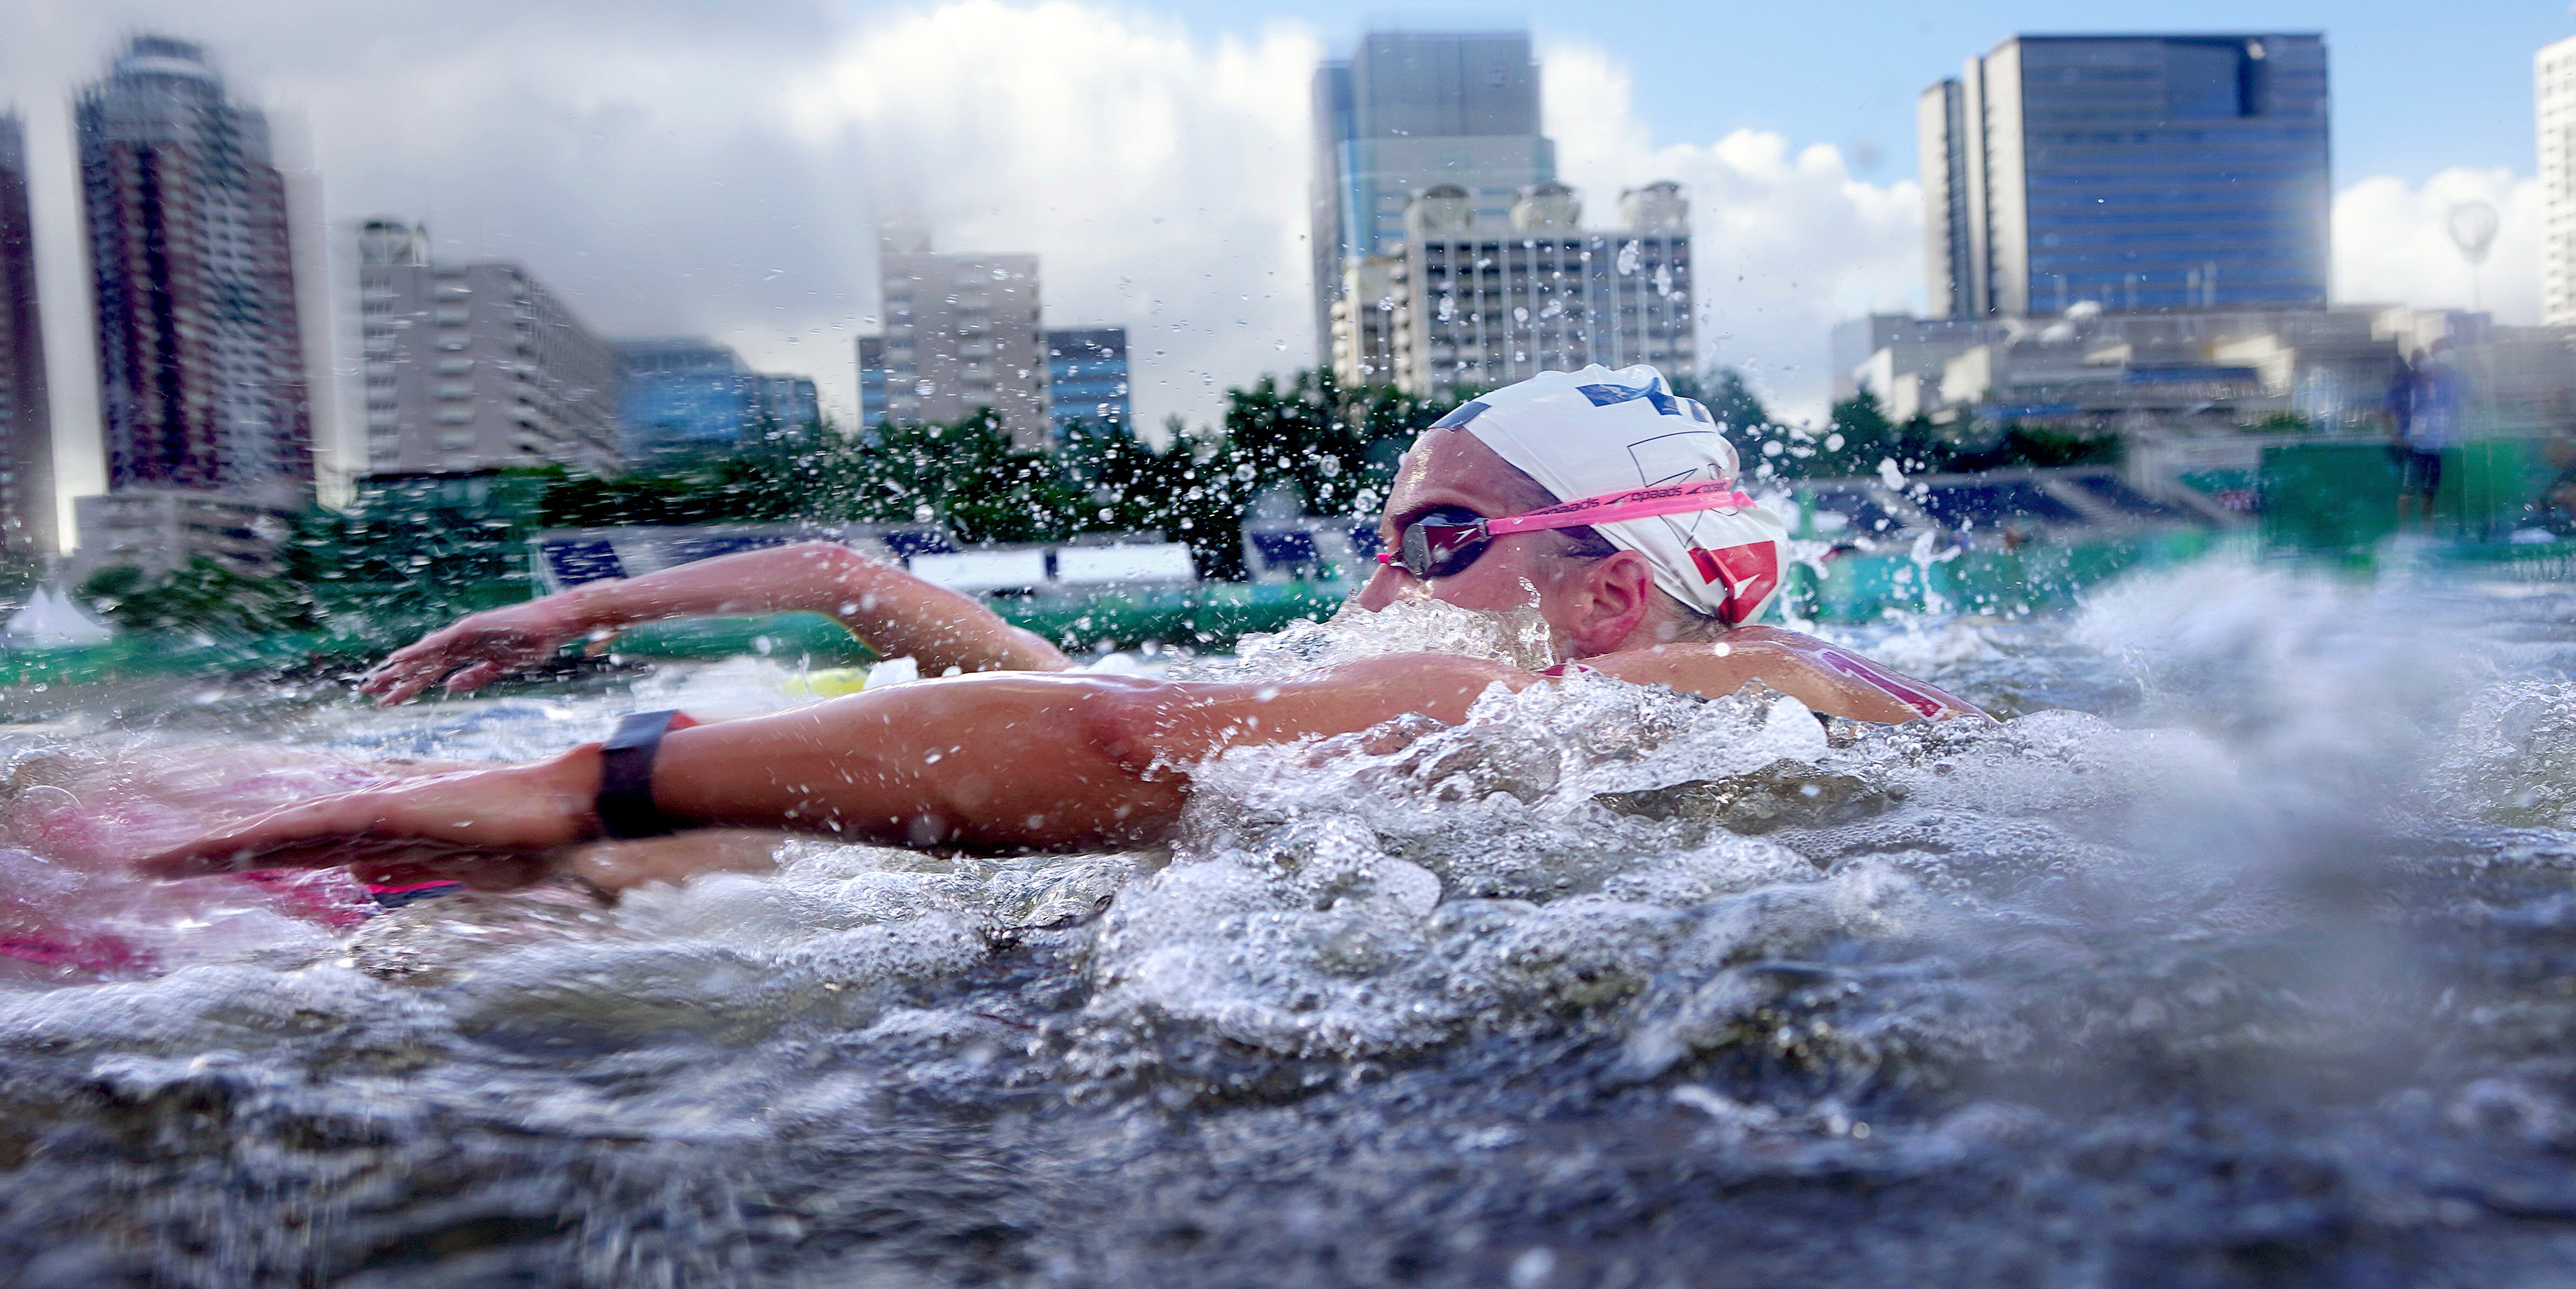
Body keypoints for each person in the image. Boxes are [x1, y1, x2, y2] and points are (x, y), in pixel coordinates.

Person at [142, 367, 1982, 887]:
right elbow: (864, 584)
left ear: (1599, 588)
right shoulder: (1476, 697)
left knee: (639, 867)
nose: (1372, 583)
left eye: (1430, 537)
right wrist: (591, 609)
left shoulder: (1668, 688)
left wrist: (595, 777)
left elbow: (1114, 740)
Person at [2385, 348, 2458, 531]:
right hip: (2414, 447)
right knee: (2408, 489)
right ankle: (2403, 529)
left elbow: (2449, 411)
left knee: (2430, 490)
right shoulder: (2406, 385)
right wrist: (2396, 436)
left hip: (2434, 446)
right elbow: (2385, 411)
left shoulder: (2441, 385)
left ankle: (2428, 530)